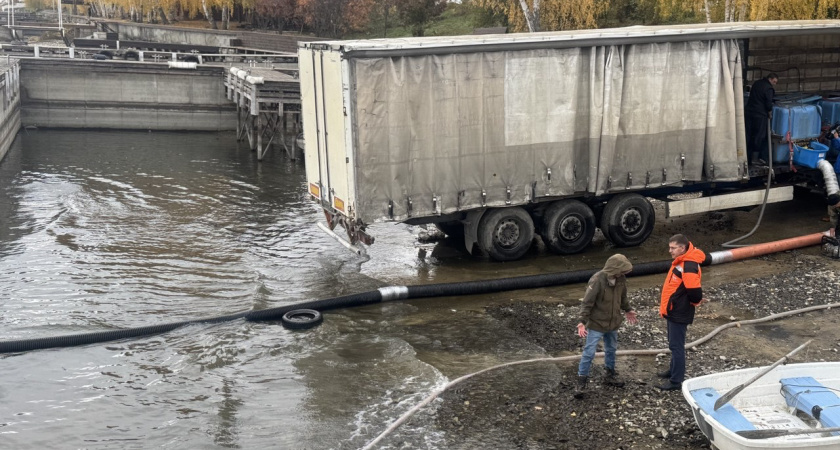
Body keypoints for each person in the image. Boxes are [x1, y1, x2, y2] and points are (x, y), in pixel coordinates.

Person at [574, 254, 638, 399]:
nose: (623, 273)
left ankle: (610, 374)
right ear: (615, 268)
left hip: (613, 322)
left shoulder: (621, 279)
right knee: (589, 352)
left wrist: (628, 309)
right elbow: (587, 302)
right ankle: (581, 381)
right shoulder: (597, 280)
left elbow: (623, 297)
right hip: (597, 323)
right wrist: (582, 321)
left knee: (611, 349)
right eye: (622, 270)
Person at [658, 234, 708, 391]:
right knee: (673, 344)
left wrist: (691, 302)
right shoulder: (683, 261)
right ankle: (673, 370)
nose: (670, 251)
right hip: (675, 309)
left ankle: (676, 381)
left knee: (676, 346)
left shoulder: (688, 265)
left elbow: (695, 292)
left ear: (682, 248)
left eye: (673, 248)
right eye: (670, 247)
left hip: (679, 311)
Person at [745, 73, 778, 165]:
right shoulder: (768, 88)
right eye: (774, 82)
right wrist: (770, 112)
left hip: (749, 112)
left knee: (749, 134)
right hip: (760, 115)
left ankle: (746, 157)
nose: (774, 84)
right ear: (770, 79)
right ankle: (755, 158)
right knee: (759, 136)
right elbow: (768, 103)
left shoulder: (756, 83)